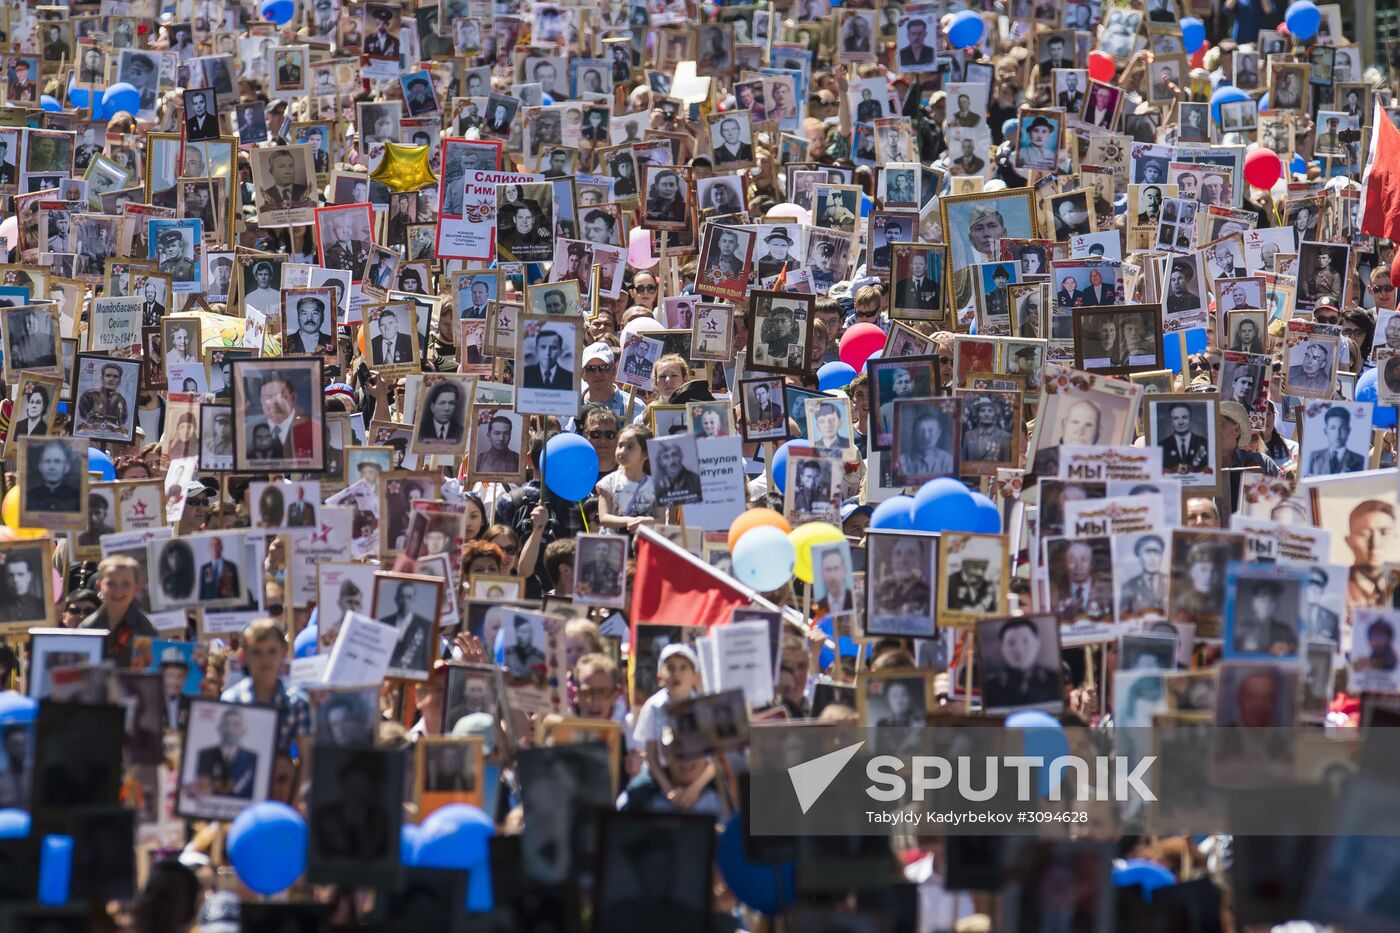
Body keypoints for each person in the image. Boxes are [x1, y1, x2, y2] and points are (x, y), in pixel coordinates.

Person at [983, 617, 1059, 706]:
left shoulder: (1055, 681)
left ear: (1037, 644)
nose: (1019, 649)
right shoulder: (989, 687)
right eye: (1011, 643)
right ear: (1002, 647)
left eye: (1025, 641)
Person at [194, 708, 258, 799]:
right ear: (219, 727)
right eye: (226, 724)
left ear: (243, 730)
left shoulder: (253, 758)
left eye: (236, 725)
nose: (230, 729)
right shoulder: (204, 755)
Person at [255, 374, 317, 461]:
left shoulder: (313, 430)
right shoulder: (249, 433)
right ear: (260, 402)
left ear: (293, 398)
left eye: (280, 396)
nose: (274, 402)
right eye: (267, 397)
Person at [1233, 581, 1300, 655]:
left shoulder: (1286, 631)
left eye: (1271, 601)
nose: (1267, 605)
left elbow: (1294, 653)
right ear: (1254, 603)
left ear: (1277, 605)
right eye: (1263, 601)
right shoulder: (1242, 629)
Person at [380, 581, 433, 673]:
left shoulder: (426, 626)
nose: (405, 601)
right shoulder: (384, 623)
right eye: (402, 597)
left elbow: (426, 661)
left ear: (414, 600)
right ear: (396, 599)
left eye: (409, 597)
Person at [1053, 540, 1112, 621]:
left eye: (1084, 560)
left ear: (1091, 563)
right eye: (1073, 561)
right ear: (1065, 564)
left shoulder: (1107, 590)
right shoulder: (1054, 593)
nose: (1078, 566)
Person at [1308, 406, 1364, 474]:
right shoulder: (1315, 457)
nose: (1337, 433)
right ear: (1326, 431)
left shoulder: (1359, 460)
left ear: (1348, 431)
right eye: (1332, 428)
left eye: (1342, 428)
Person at [898, 410, 953, 476]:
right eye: (920, 431)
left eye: (930, 431)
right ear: (913, 434)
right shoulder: (900, 460)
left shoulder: (948, 461)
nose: (925, 436)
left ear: (939, 433)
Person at [961, 396, 1011, 462]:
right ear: (977, 414)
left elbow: (1007, 464)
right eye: (982, 410)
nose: (986, 414)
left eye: (990, 411)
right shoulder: (968, 435)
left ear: (995, 414)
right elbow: (963, 462)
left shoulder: (1005, 436)